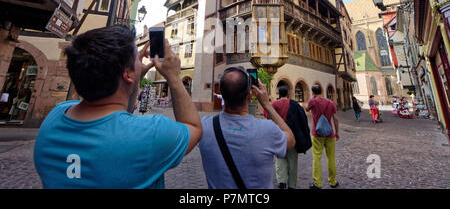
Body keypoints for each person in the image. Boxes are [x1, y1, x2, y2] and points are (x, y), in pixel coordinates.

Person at [33, 25, 202, 188]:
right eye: (137, 56)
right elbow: (193, 127)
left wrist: (133, 77)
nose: (140, 59)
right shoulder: (150, 133)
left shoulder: (55, 117)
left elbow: (116, 112)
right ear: (127, 74)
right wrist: (173, 77)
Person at [199, 66, 295, 189]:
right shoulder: (267, 129)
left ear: (222, 96)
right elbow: (291, 140)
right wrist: (266, 104)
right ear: (249, 97)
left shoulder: (205, 126)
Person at [264, 86, 310, 189]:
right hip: (292, 137)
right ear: (288, 93)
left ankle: (282, 181)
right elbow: (303, 119)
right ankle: (292, 184)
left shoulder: (274, 104)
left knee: (280, 159)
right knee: (293, 161)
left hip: (278, 136)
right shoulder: (295, 104)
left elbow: (267, 117)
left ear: (278, 94)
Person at [306, 84, 339, 189]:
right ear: (322, 91)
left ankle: (317, 183)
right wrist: (337, 132)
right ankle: (333, 181)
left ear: (313, 92)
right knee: (331, 158)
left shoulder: (312, 101)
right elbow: (336, 119)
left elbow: (307, 110)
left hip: (317, 134)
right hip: (330, 134)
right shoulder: (331, 103)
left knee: (316, 158)